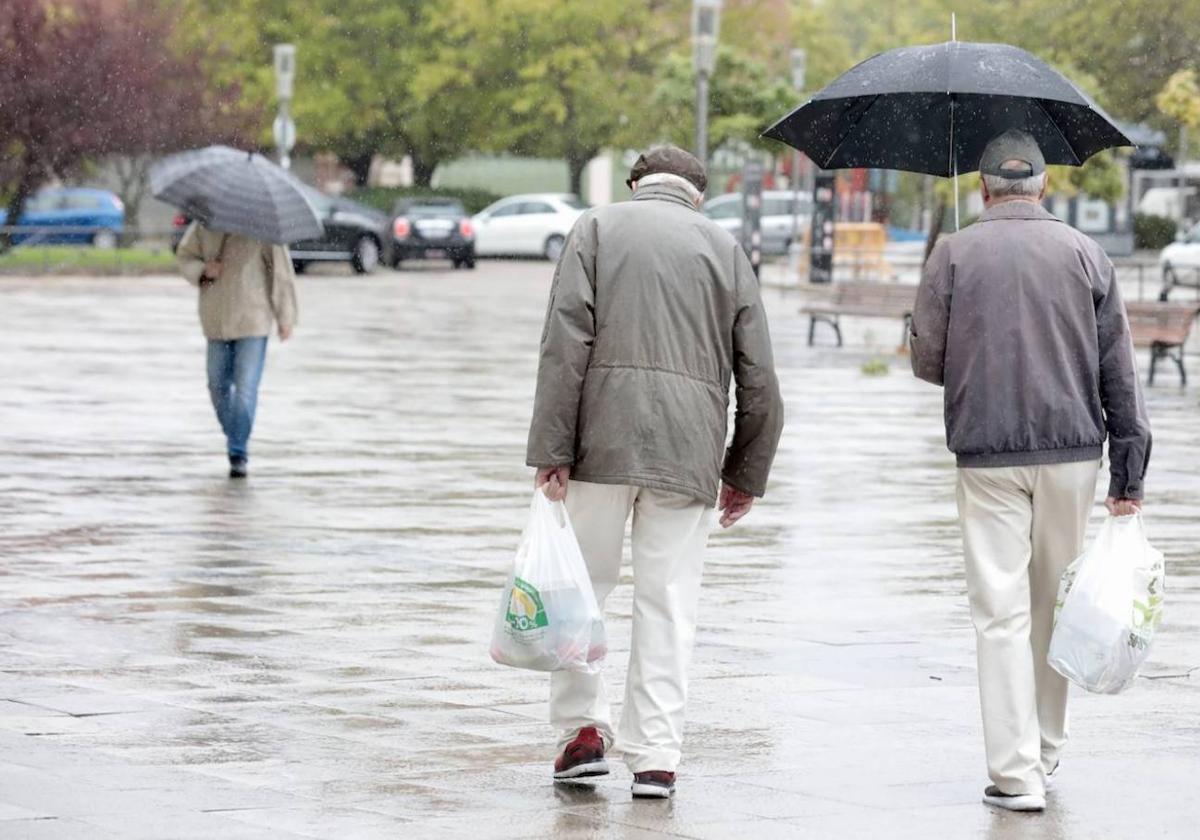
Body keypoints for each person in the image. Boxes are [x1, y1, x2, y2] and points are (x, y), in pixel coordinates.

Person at [526, 145, 785, 799]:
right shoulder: (725, 250)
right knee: (669, 603)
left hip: (597, 445)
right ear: (697, 195)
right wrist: (745, 471)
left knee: (582, 591)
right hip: (688, 451)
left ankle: (582, 734)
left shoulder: (595, 229)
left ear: (636, 184)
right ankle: (656, 757)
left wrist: (552, 448)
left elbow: (565, 342)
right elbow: (758, 375)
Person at [910, 129, 1151, 813]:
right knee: (1055, 607)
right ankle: (1046, 746)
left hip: (986, 457)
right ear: (1044, 186)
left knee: (999, 613)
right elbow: (1118, 371)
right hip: (1074, 455)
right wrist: (1128, 472)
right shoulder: (1085, 253)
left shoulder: (954, 251)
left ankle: (1015, 775)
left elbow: (927, 362)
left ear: (982, 190)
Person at [176, 222, 297, 478]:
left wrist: (285, 317)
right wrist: (203, 270)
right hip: (216, 319)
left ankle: (237, 452)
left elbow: (280, 272)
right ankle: (236, 435)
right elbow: (185, 256)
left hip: (253, 317)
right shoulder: (204, 225)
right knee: (217, 385)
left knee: (246, 388)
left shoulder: (264, 228)